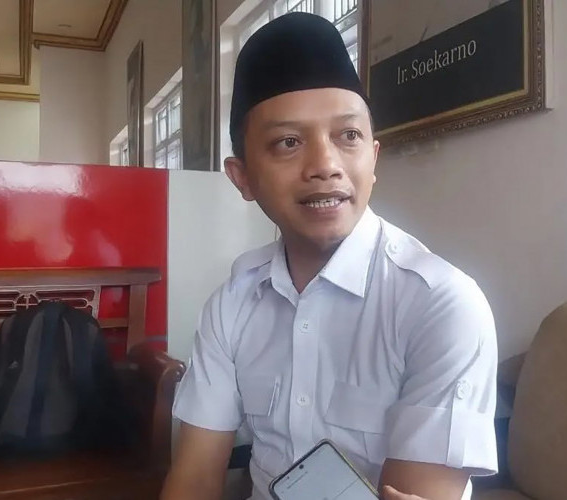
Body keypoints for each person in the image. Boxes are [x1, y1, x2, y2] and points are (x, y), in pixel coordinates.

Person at [161, 12, 497, 500]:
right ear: (243, 177)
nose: (325, 165)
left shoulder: (441, 306)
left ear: (373, 159)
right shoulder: (232, 304)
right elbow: (193, 480)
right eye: (288, 142)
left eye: (348, 136)